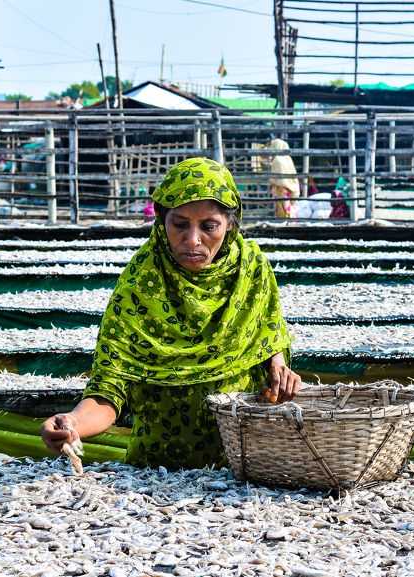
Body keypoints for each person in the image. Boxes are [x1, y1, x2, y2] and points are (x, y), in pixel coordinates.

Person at [42, 157, 302, 470]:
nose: (193, 240)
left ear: (230, 224)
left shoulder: (252, 271)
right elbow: (109, 389)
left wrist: (280, 371)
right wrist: (72, 423)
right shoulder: (140, 285)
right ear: (161, 220)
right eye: (180, 224)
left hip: (247, 467)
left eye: (209, 227)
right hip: (155, 471)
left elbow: (268, 343)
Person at [265, 138, 300, 218]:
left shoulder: (277, 160)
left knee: (282, 212)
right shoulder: (288, 158)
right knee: (290, 211)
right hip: (291, 189)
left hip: (280, 190)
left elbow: (276, 178)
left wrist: (271, 181)